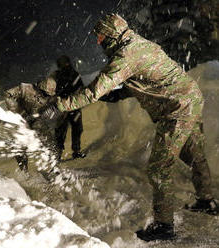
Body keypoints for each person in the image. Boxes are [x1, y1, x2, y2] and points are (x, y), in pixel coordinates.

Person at [51, 14, 219, 241]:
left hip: (177, 109)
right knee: (195, 154)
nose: (99, 42)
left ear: (112, 35)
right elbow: (147, 77)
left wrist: (59, 105)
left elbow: (93, 91)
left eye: (101, 37)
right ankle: (206, 199)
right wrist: (118, 94)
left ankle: (164, 226)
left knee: (159, 168)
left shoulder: (126, 55)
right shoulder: (138, 45)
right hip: (190, 98)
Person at [4, 80, 61, 171]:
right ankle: (23, 169)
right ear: (40, 89)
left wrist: (46, 115)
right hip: (21, 120)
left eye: (48, 95)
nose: (46, 97)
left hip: (37, 121)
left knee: (50, 142)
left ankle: (54, 167)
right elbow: (8, 94)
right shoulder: (26, 88)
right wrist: (16, 111)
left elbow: (56, 108)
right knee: (20, 145)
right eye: (45, 94)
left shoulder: (51, 97)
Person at [43, 55, 86, 160]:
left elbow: (80, 88)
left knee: (77, 129)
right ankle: (57, 155)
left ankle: (76, 151)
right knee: (61, 132)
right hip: (62, 106)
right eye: (64, 64)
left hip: (73, 105)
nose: (66, 65)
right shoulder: (58, 75)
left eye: (66, 63)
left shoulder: (74, 74)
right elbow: (53, 90)